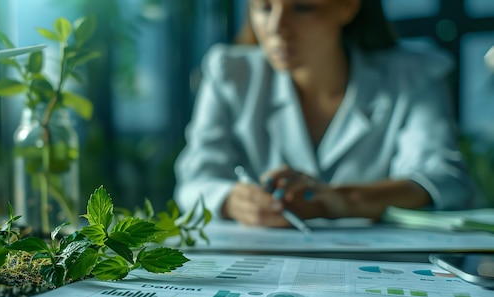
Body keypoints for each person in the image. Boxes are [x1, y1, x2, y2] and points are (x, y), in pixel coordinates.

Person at [173, 0, 475, 227]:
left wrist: (342, 199)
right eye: (264, 7)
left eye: (303, 7)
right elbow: (194, 182)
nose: (277, 28)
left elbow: (443, 180)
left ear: (347, 6)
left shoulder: (414, 75)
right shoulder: (228, 72)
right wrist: (233, 202)